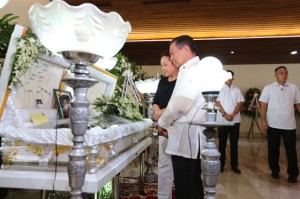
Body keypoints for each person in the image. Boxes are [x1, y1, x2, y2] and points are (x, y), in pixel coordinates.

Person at [158, 35, 206, 199]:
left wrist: (162, 122)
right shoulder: (187, 70)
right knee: (188, 183)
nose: (171, 58)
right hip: (184, 135)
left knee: (187, 185)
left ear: (185, 49)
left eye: (172, 53)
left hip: (187, 138)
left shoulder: (193, 70)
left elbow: (182, 101)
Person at [259, 65, 300, 183]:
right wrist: (263, 120)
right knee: (273, 149)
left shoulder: (293, 87)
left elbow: (298, 104)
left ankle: (293, 174)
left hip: (289, 125)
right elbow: (263, 105)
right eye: (281, 73)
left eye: (286, 73)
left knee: (291, 151)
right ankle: (275, 171)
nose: (284, 75)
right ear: (275, 75)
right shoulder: (268, 88)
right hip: (273, 124)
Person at [153, 50, 178, 199]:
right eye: (161, 65)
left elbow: (177, 105)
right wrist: (157, 111)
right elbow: (155, 100)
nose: (163, 68)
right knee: (163, 164)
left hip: (176, 128)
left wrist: (160, 112)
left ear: (174, 63)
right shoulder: (162, 81)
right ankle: (163, 196)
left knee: (179, 166)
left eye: (165, 64)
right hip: (162, 128)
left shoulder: (181, 81)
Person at [216, 70, 244, 174]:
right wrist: (225, 114)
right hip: (222, 121)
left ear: (233, 78)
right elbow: (217, 102)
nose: (228, 78)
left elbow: (240, 103)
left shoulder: (236, 90)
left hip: (235, 121)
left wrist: (232, 115)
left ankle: (234, 165)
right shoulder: (218, 89)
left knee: (234, 144)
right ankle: (221, 165)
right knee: (222, 144)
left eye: (230, 76)